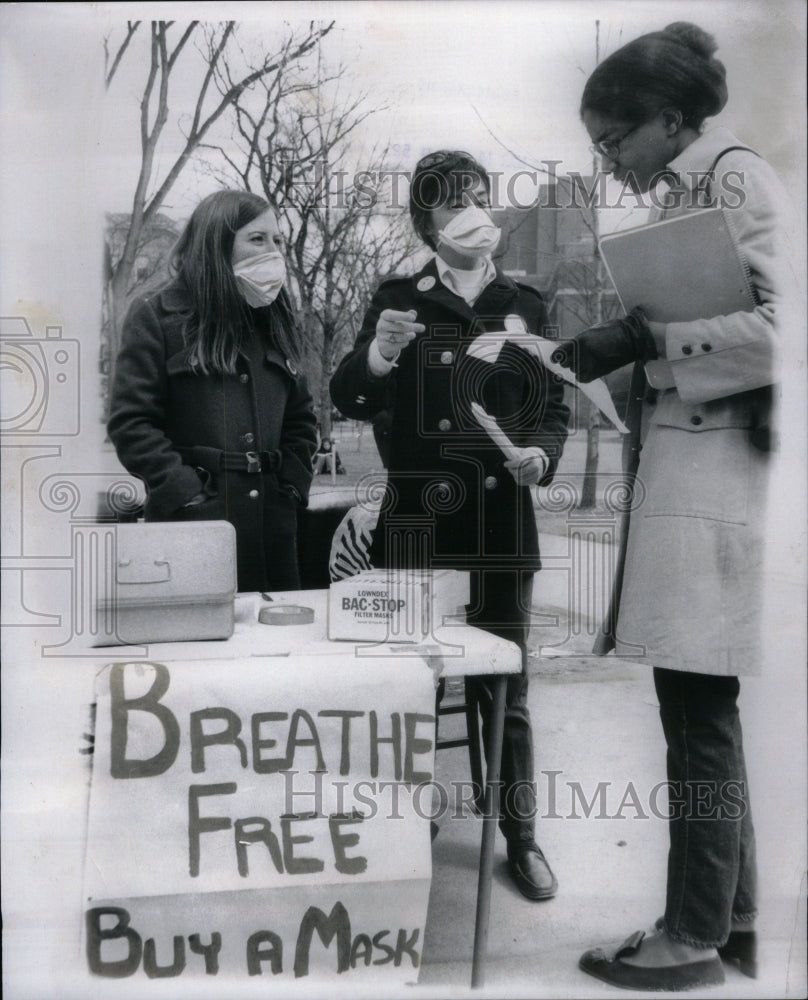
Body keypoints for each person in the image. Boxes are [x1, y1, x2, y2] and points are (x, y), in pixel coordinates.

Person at [551, 22, 789, 991]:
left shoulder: (734, 178)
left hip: (725, 475)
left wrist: (648, 338)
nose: (611, 162)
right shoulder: (703, 187)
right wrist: (626, 344)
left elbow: (785, 327)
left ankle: (691, 934)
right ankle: (729, 921)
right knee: (698, 703)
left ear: (667, 117)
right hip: (700, 471)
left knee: (696, 709)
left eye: (615, 141)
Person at [330, 150, 571, 901]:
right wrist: (378, 353)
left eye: (477, 195)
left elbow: (553, 408)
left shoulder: (524, 300)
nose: (469, 210)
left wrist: (541, 453)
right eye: (450, 201)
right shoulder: (399, 297)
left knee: (506, 687)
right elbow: (350, 396)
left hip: (502, 516)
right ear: (424, 221)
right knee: (412, 681)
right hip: (417, 519)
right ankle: (411, 822)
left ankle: (521, 836)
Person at [108, 190, 318, 593]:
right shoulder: (157, 315)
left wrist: (290, 486)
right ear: (216, 243)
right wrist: (187, 495)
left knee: (276, 647)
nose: (273, 251)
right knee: (201, 645)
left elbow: (301, 418)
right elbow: (132, 423)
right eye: (257, 239)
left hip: (274, 532)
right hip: (191, 533)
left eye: (278, 241)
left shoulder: (276, 318)